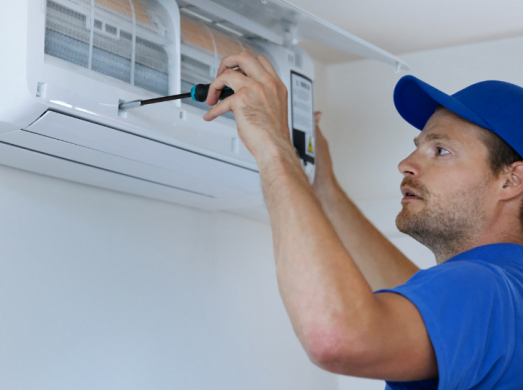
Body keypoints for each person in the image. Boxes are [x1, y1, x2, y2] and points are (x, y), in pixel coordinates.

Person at [203, 51, 523, 389]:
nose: (406, 163)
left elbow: (336, 338)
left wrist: (272, 144)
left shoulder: (482, 289)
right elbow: (426, 301)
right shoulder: (503, 295)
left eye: (441, 150)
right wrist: (323, 189)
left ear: (511, 181)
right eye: (416, 147)